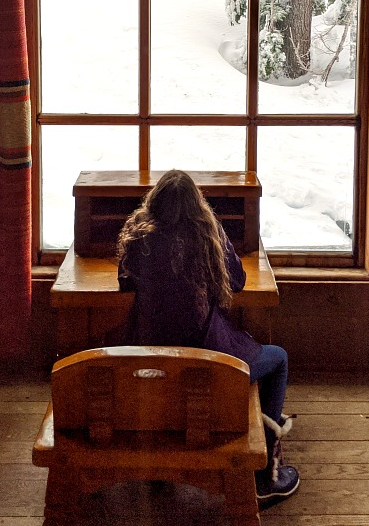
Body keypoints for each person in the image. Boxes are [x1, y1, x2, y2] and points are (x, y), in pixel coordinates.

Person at [116, 169, 299, 504]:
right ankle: (265, 473)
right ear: (197, 204)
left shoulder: (137, 238)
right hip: (206, 363)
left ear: (153, 202)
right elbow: (239, 281)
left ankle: (162, 463)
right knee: (279, 359)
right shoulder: (207, 236)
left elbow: (124, 282)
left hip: (149, 363)